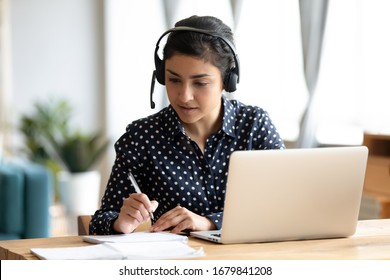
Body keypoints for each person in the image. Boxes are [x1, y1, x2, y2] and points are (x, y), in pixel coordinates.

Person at [90, 15, 285, 235]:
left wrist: (209, 222)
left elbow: (284, 203)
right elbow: (101, 219)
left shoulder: (254, 126)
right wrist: (119, 222)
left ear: (228, 80)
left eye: (200, 83)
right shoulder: (141, 137)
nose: (184, 96)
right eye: (174, 80)